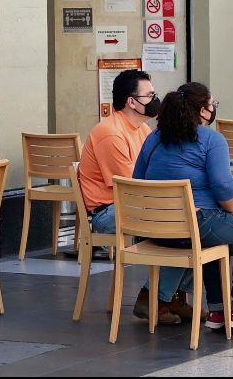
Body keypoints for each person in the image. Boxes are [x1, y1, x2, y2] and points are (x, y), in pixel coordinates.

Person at [133, 82, 233, 331]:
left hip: (151, 230)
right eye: (213, 104)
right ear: (203, 111)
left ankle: (216, 312)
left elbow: (137, 179)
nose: (214, 109)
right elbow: (223, 187)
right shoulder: (212, 139)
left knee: (216, 237)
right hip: (190, 227)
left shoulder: (154, 137)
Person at [79, 69, 192, 325]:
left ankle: (170, 296)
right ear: (132, 101)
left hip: (133, 204)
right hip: (109, 211)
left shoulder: (142, 130)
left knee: (199, 225)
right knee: (181, 228)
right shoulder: (110, 133)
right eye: (150, 95)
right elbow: (132, 186)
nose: (155, 100)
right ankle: (154, 298)